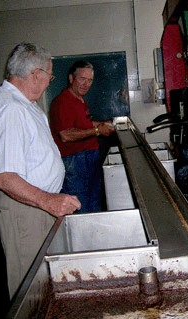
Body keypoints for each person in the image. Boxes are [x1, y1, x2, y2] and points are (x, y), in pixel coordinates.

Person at [0, 42, 81, 300]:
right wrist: (48, 200)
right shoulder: (11, 109)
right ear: (36, 74)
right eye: (49, 75)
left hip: (36, 206)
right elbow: (5, 177)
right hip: (26, 210)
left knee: (45, 286)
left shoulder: (23, 104)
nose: (50, 81)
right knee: (32, 293)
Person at [49, 60, 115, 213]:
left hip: (88, 158)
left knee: (93, 203)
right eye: (82, 79)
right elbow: (65, 134)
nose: (86, 84)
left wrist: (107, 124)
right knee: (81, 208)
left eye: (90, 80)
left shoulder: (80, 100)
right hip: (74, 161)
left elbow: (85, 124)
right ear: (71, 79)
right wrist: (98, 131)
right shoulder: (62, 102)